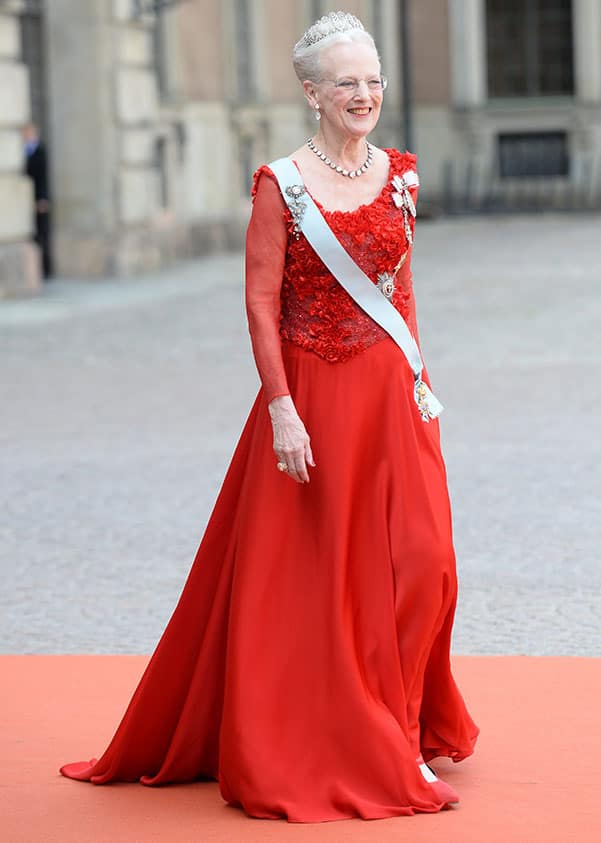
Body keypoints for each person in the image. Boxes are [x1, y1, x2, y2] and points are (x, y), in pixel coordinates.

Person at [59, 11, 479, 822]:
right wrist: (283, 410)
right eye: (347, 82)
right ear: (313, 92)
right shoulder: (279, 184)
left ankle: (397, 717)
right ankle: (370, 739)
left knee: (426, 562)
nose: (365, 94)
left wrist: (421, 381)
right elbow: (258, 301)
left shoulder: (401, 174)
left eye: (374, 79)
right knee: (325, 580)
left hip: (393, 398)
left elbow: (401, 289)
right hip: (313, 400)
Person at [22, 122, 52, 279]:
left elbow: (44, 178)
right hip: (25, 199)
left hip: (39, 199)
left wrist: (42, 198)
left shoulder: (40, 151)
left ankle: (46, 269)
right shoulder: (23, 151)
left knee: (42, 234)